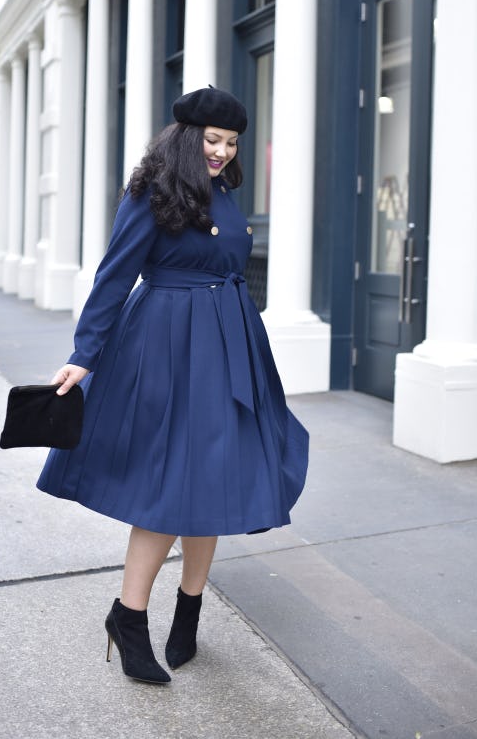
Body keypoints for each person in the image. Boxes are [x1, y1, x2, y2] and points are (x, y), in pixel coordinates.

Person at [37, 86, 309, 684]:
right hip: (168, 346)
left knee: (216, 480)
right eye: (213, 140)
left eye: (231, 142)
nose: (222, 151)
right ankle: (129, 618)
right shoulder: (151, 193)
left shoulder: (229, 194)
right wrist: (84, 355)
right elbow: (115, 275)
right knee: (169, 485)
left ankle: (187, 616)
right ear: (187, 138)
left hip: (232, 343)